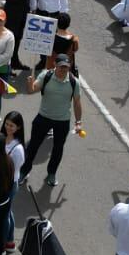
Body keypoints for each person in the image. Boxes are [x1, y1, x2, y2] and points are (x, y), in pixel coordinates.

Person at [20, 52, 84, 187]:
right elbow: (32, 90)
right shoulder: (46, 76)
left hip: (62, 121)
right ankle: (24, 171)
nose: (63, 69)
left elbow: (77, 103)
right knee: (32, 147)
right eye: (61, 66)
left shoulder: (74, 82)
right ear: (55, 65)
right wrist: (30, 84)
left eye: (66, 67)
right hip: (43, 117)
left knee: (58, 149)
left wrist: (78, 122)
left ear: (69, 66)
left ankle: (51, 173)